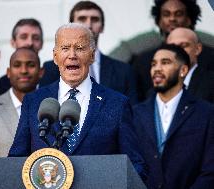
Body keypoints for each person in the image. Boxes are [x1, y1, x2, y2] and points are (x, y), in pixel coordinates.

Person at [8, 23, 147, 180]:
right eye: (65, 48)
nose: (72, 55)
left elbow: (135, 165)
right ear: (55, 56)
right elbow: (16, 159)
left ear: (92, 55)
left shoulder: (117, 103)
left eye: (80, 48)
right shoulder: (34, 101)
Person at [132, 44, 214, 189]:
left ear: (183, 70)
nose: (157, 69)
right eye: (153, 64)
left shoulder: (206, 113)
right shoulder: (135, 113)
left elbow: (210, 170)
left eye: (165, 62)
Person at [39, 1, 138, 104]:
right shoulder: (51, 69)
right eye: (82, 19)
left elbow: (131, 113)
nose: (89, 25)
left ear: (102, 27)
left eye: (95, 19)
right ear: (71, 26)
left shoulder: (123, 71)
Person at [114, 0, 214, 102]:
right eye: (166, 14)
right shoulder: (143, 62)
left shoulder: (210, 56)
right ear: (159, 21)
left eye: (178, 14)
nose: (172, 19)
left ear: (189, 19)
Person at [166, 27, 214, 103]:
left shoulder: (210, 82)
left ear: (197, 49)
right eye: (172, 47)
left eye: (184, 46)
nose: (178, 51)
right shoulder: (157, 88)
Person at [0, 18, 43, 93]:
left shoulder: (53, 80)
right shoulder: (0, 86)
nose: (30, 42)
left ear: (41, 44)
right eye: (23, 37)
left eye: (36, 38)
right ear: (13, 42)